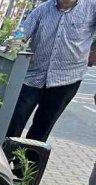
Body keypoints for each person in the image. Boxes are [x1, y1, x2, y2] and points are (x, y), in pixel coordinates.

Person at [7, 0, 96, 143]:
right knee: (14, 120)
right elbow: (21, 33)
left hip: (67, 79)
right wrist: (12, 43)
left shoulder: (91, 8)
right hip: (33, 77)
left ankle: (26, 165)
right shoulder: (42, 10)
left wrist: (93, 55)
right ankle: (4, 159)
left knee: (41, 129)